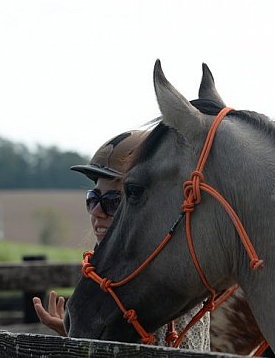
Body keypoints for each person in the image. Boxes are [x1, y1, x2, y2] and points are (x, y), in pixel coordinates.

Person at [32, 130, 210, 350]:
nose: (97, 211)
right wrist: (75, 332)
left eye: (113, 201)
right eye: (93, 198)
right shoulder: (104, 276)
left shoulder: (162, 280)